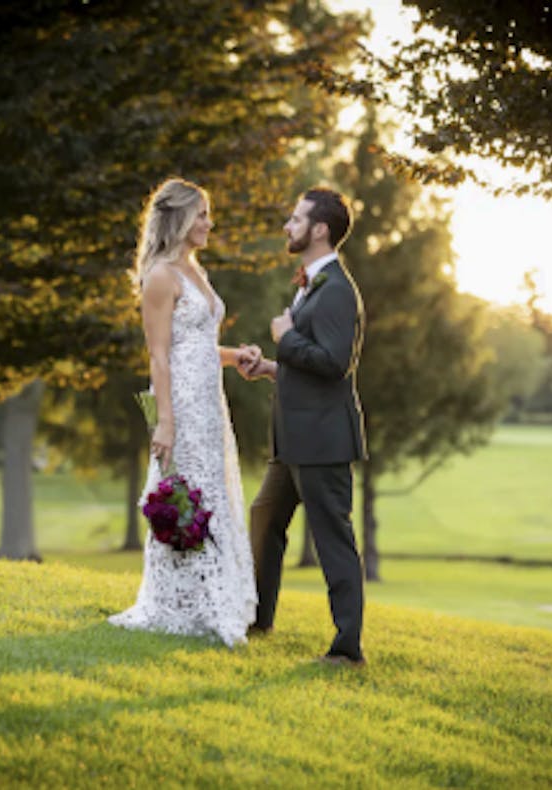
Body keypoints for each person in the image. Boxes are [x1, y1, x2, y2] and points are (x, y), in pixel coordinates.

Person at [108, 177, 258, 647]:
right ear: (179, 218)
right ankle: (179, 603)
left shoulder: (196, 271)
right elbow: (159, 355)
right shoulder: (160, 277)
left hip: (211, 407)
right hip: (180, 406)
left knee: (211, 493)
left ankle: (214, 600)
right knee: (184, 494)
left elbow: (199, 346)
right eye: (202, 215)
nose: (209, 223)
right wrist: (166, 422)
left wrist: (237, 357)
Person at [239, 187, 368, 666]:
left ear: (320, 229)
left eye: (295, 219)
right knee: (265, 516)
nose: (287, 227)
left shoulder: (336, 289)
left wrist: (286, 337)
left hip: (321, 439)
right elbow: (309, 362)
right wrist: (272, 366)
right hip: (292, 439)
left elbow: (334, 364)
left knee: (333, 540)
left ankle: (347, 648)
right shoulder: (312, 284)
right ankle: (257, 619)